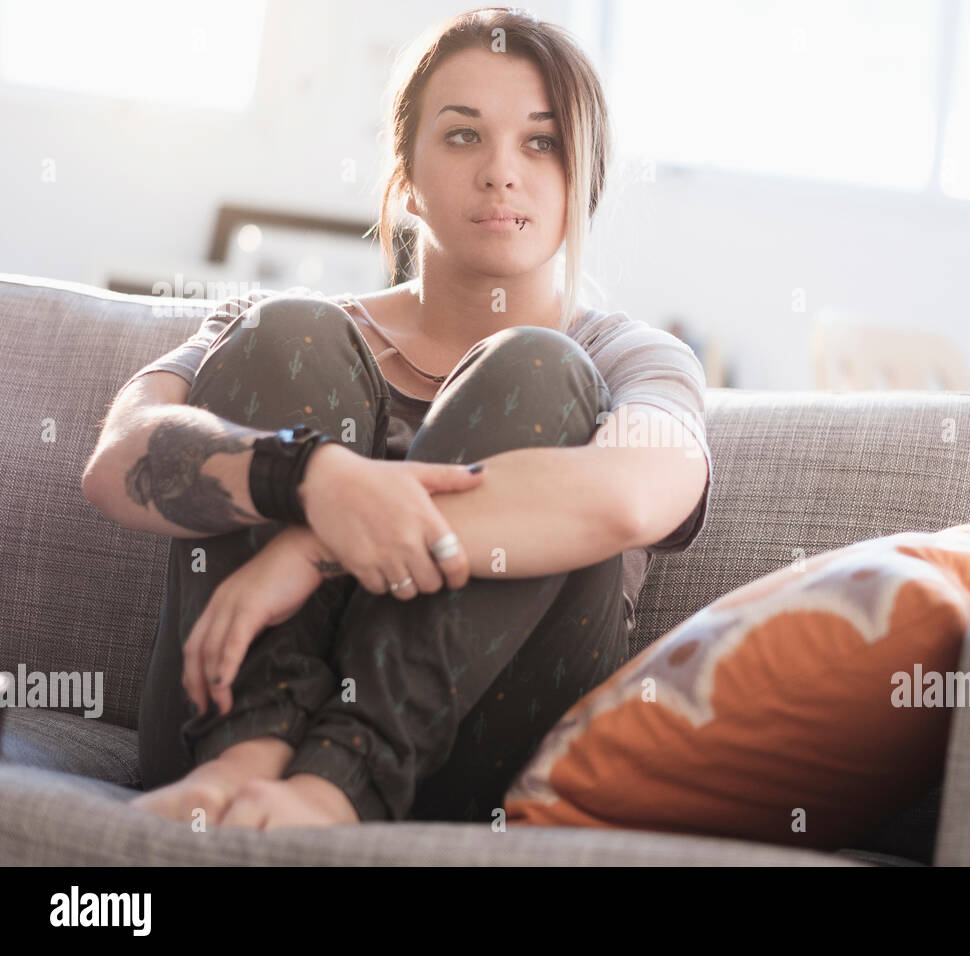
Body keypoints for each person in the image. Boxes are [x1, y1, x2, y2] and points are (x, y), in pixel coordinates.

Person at [82, 7, 712, 829]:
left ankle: (333, 789)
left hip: (477, 756)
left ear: (579, 179)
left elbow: (635, 496)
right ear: (406, 172)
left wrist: (323, 542)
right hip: (215, 727)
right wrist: (309, 474)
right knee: (288, 329)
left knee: (543, 366)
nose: (500, 171)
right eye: (461, 136)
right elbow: (117, 462)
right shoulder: (282, 328)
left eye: (540, 142)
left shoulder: (633, 355)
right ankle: (250, 763)